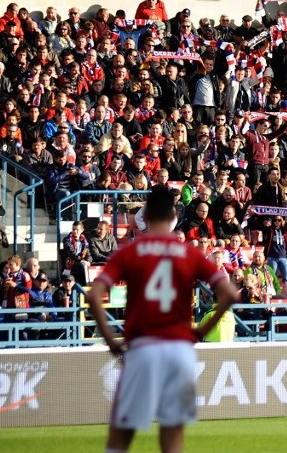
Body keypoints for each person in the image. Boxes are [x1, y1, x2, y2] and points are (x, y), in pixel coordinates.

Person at [86, 188, 239, 453]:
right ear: (172, 216)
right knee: (172, 435)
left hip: (142, 347)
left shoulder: (131, 252)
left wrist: (111, 340)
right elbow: (229, 293)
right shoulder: (189, 254)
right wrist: (200, 332)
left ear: (146, 215)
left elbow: (95, 294)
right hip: (179, 349)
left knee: (121, 435)